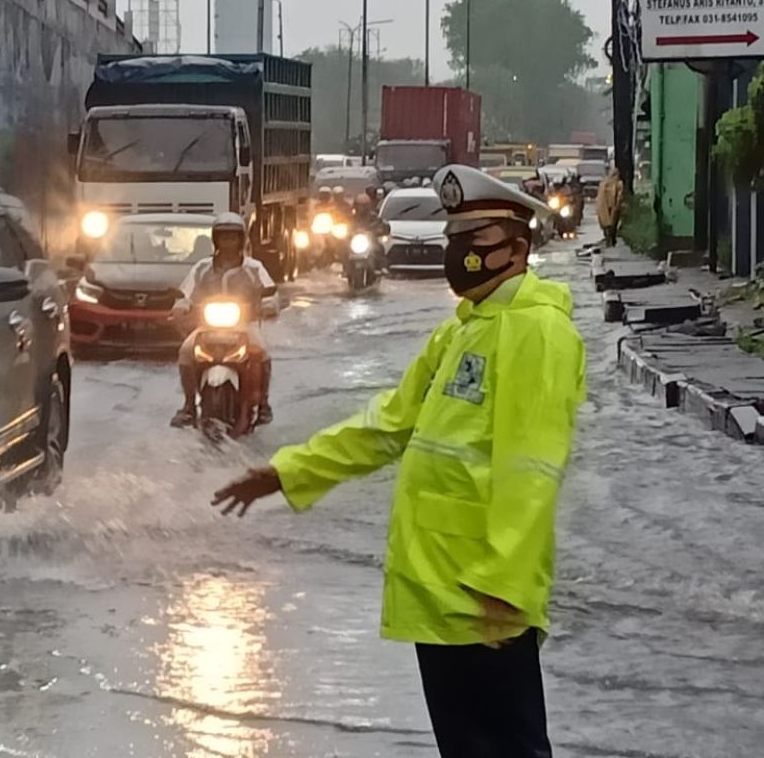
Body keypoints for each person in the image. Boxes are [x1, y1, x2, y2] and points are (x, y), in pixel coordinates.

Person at [210, 165, 587, 758]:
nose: (457, 253)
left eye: (474, 242)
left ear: (517, 250)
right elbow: (388, 425)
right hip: (443, 593)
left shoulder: (535, 332)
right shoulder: (466, 329)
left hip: (485, 598)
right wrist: (290, 472)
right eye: (454, 240)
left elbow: (531, 466)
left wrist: (505, 585)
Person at [171, 213, 277, 428]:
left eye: (233, 237)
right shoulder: (202, 267)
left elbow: (271, 291)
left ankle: (264, 404)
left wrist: (269, 304)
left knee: (262, 352)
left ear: (242, 239)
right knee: (185, 351)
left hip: (244, 326)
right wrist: (182, 305)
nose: (228, 242)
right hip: (206, 326)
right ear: (215, 240)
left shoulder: (254, 267)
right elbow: (186, 292)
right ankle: (189, 405)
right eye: (223, 237)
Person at [596, 167, 625, 247]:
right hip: (609, 207)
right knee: (611, 225)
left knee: (609, 225)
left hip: (609, 208)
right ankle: (610, 240)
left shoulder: (604, 184)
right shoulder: (614, 184)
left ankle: (609, 240)